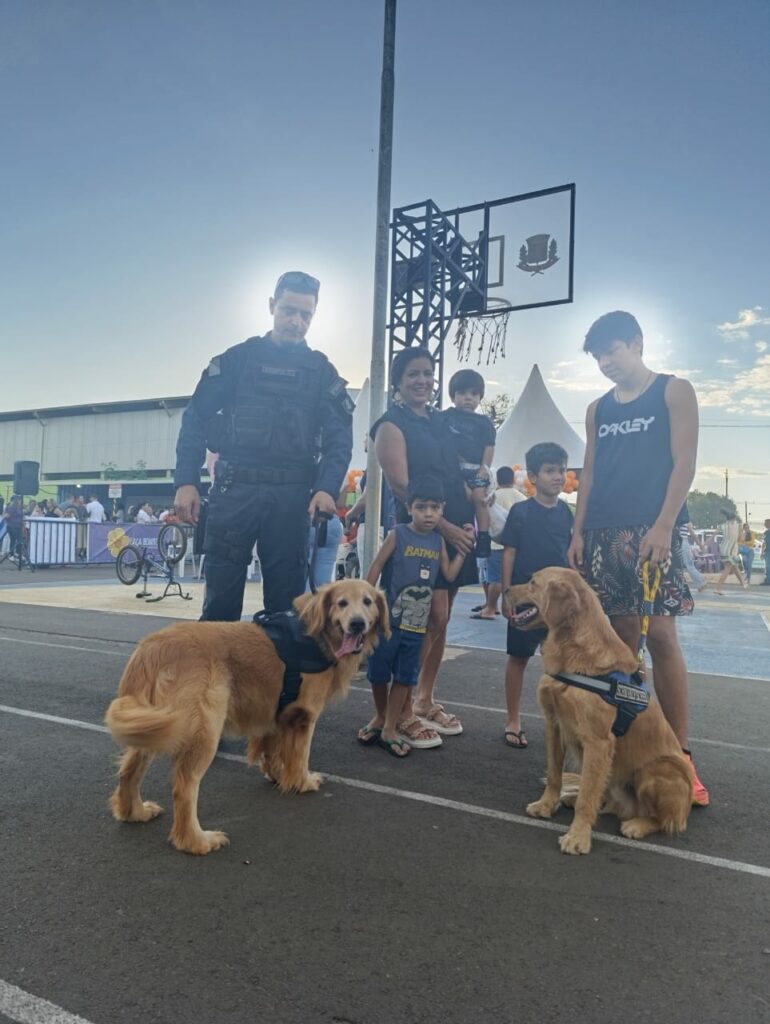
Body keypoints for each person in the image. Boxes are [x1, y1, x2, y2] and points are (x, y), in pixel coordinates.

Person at [568, 310, 709, 806]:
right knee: (621, 643)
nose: (606, 362)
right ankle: (621, 755)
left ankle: (679, 755)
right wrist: (578, 530)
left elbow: (684, 461)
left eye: (613, 351)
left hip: (653, 529)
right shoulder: (597, 409)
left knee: (663, 636)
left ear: (637, 343)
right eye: (599, 356)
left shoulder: (673, 390)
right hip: (604, 531)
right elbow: (588, 473)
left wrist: (665, 524)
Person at [174, 271, 353, 619]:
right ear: (272, 305)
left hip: (291, 497)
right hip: (235, 489)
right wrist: (186, 482)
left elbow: (339, 439)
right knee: (219, 606)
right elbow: (195, 417)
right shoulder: (238, 359)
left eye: (306, 315)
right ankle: (214, 675)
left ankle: (279, 676)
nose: (296, 321)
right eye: (289, 310)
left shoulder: (320, 372)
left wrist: (326, 489)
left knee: (286, 612)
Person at [371, 347, 476, 745]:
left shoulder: (441, 422)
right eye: (413, 374)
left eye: (428, 373)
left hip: (452, 534)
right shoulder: (390, 424)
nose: (422, 380)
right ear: (398, 381)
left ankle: (424, 699)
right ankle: (397, 713)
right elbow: (402, 486)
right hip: (422, 539)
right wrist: (445, 528)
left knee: (442, 617)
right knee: (418, 621)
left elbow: (456, 471)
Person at [360, 476, 471, 756]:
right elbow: (375, 567)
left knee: (405, 678)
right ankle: (380, 716)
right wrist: (364, 603)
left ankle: (389, 729)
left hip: (415, 627)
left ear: (442, 509)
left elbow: (448, 575)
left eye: (435, 507)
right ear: (409, 508)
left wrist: (463, 550)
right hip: (387, 623)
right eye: (422, 507)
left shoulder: (438, 541)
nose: (429, 513)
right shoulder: (398, 533)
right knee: (377, 674)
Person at [500, 443, 572, 748]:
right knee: (518, 658)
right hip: (527, 599)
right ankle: (513, 719)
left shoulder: (567, 513)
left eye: (561, 470)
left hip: (556, 604)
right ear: (532, 476)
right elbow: (509, 552)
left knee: (561, 663)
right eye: (550, 471)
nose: (558, 477)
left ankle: (562, 723)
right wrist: (506, 594)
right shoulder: (520, 512)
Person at [443, 369, 496, 558]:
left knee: (480, 499)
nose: (468, 398)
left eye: (474, 394)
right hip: (453, 471)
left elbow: (489, 446)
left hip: (476, 470)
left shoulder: (484, 422)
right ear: (453, 396)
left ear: (480, 398)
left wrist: (484, 468)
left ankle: (483, 536)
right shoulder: (446, 417)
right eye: (462, 393)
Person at [471, 466, 526, 619]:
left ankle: (490, 608)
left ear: (498, 480)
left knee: (494, 579)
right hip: (515, 546)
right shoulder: (521, 497)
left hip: (495, 543)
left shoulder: (492, 496)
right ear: (513, 479)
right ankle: (510, 606)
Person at [714, 512, 747, 594]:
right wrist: (744, 532)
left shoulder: (722, 525)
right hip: (732, 549)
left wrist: (704, 544)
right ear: (734, 518)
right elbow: (742, 538)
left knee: (735, 566)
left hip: (724, 548)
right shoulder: (738, 525)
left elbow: (712, 535)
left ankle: (743, 583)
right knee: (728, 568)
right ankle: (718, 588)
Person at [679, 520, 707, 593]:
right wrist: (700, 545)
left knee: (687, 565)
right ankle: (700, 583)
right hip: (683, 542)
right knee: (688, 565)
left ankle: (701, 583)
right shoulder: (684, 520)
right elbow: (693, 534)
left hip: (679, 542)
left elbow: (693, 534)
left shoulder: (677, 518)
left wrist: (700, 545)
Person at [762, 519, 770, 585]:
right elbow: (763, 543)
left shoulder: (766, 533)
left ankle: (767, 581)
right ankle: (767, 581)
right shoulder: (765, 532)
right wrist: (762, 553)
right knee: (767, 567)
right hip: (767, 552)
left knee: (767, 567)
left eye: (766, 523)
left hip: (767, 552)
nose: (764, 524)